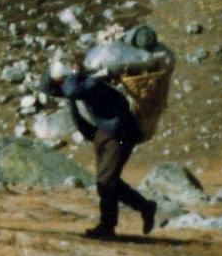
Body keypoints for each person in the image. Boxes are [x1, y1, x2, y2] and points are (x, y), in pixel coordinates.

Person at [43, 52, 157, 240]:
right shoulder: (74, 82)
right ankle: (144, 207)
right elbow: (47, 87)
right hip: (102, 134)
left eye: (63, 79)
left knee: (106, 181)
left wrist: (73, 73)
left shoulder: (94, 82)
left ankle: (107, 227)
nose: (62, 84)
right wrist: (53, 68)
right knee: (108, 181)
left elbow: (73, 91)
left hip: (120, 135)